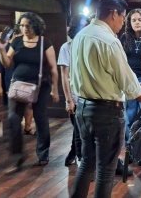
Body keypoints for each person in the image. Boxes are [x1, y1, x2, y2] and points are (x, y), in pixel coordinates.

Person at [69, 0, 141, 198]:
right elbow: (127, 80)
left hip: (83, 108)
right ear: (114, 13)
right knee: (106, 169)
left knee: (87, 164)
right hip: (106, 112)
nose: (122, 24)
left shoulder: (81, 35)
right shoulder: (109, 41)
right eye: (123, 18)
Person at [0, 12, 60, 174]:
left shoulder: (45, 42)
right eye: (22, 25)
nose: (24, 28)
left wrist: (55, 89)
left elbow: (53, 68)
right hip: (18, 85)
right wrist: (1, 49)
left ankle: (43, 154)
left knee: (40, 118)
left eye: (27, 25)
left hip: (40, 86)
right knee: (13, 120)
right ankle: (17, 157)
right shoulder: (16, 41)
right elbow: (7, 63)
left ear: (36, 26)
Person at [118, 8, 141, 171]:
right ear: (129, 23)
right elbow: (122, 62)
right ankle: (130, 150)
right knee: (130, 117)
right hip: (129, 82)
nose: (137, 22)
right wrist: (130, 80)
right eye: (133, 20)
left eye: (140, 19)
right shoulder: (124, 38)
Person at [57, 14, 90, 166]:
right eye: (81, 25)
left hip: (90, 95)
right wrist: (68, 99)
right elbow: (64, 76)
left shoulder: (91, 45)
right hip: (75, 95)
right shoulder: (67, 47)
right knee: (78, 129)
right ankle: (80, 159)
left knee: (81, 130)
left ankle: (75, 153)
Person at [0, 28, 36, 136]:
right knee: (15, 109)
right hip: (11, 83)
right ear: (15, 35)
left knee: (29, 105)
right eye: (22, 35)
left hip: (26, 82)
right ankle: (14, 131)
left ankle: (28, 127)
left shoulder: (23, 47)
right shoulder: (4, 47)